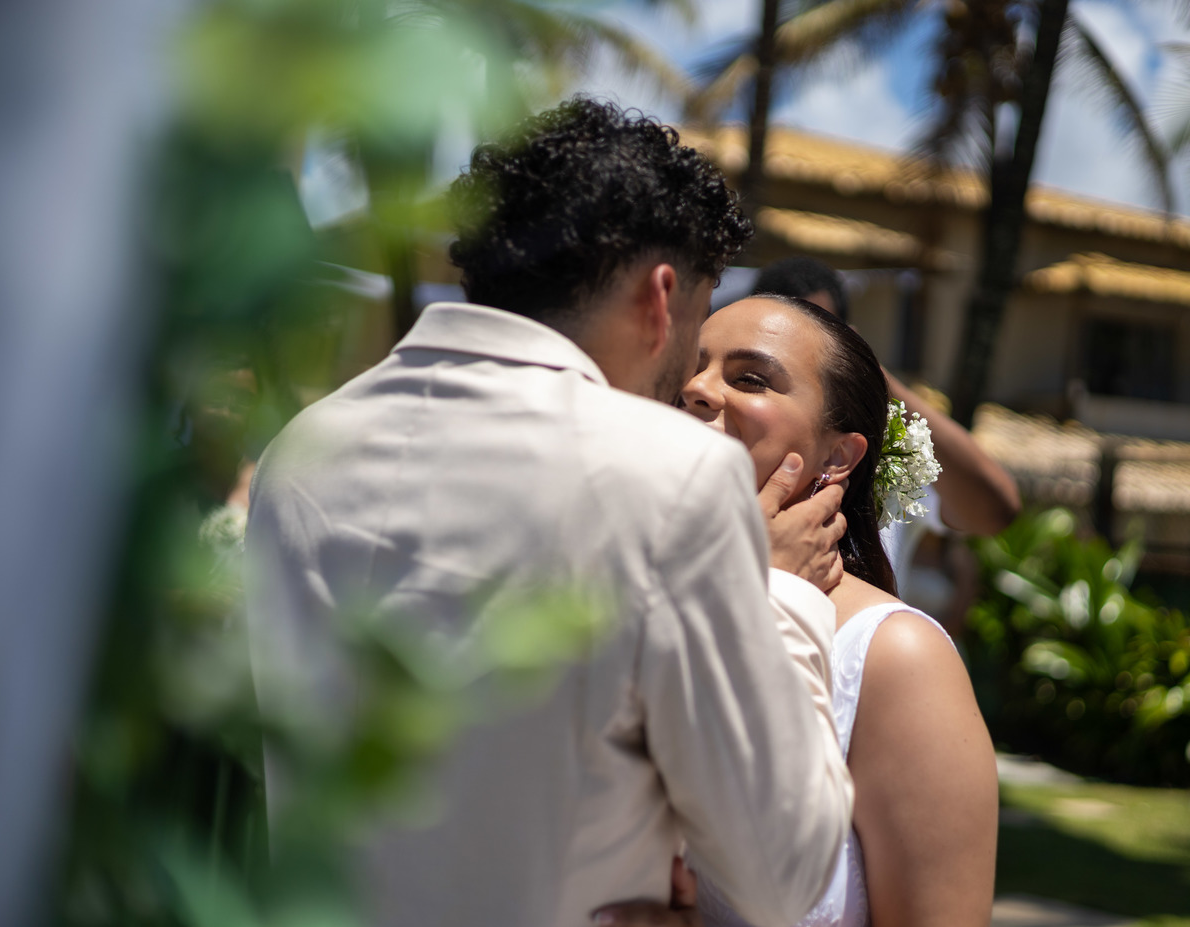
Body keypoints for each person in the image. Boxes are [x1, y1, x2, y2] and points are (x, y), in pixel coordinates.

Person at [245, 99, 853, 927]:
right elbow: (784, 870)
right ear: (660, 298)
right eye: (697, 321)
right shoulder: (673, 475)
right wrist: (781, 594)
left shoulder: (301, 450)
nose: (688, 378)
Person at [599, 295, 998, 927]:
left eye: (750, 378)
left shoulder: (894, 658)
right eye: (691, 367)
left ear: (838, 457)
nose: (697, 388)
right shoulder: (609, 598)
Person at [750, 257, 1021, 582]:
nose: (798, 358)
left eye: (817, 337)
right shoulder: (724, 440)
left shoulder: (886, 448)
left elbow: (994, 511)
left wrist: (871, 376)